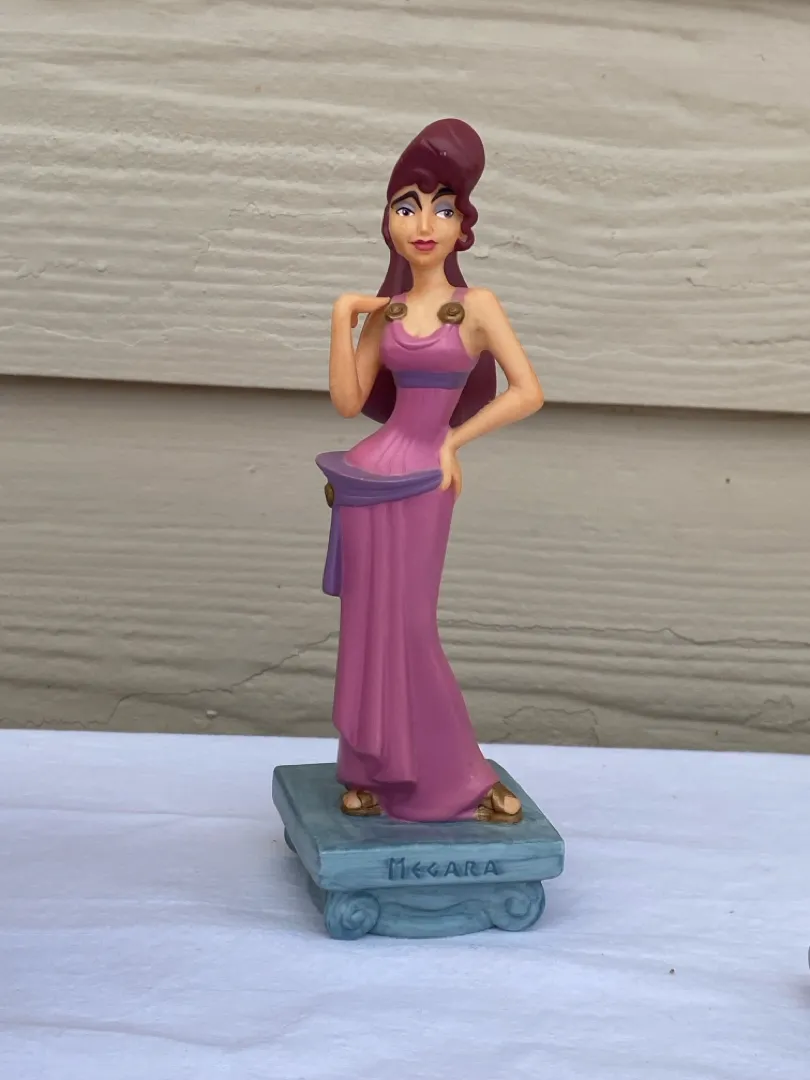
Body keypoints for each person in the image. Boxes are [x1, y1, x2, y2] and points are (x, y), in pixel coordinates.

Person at [317, 118, 544, 823]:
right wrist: (343, 318)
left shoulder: (476, 307)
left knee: (411, 627)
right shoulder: (385, 313)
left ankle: (460, 777)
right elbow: (349, 402)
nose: (424, 224)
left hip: (423, 479)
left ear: (462, 227)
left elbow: (528, 392)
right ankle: (368, 768)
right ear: (387, 221)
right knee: (369, 625)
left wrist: (453, 441)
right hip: (368, 478)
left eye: (443, 209)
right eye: (407, 206)